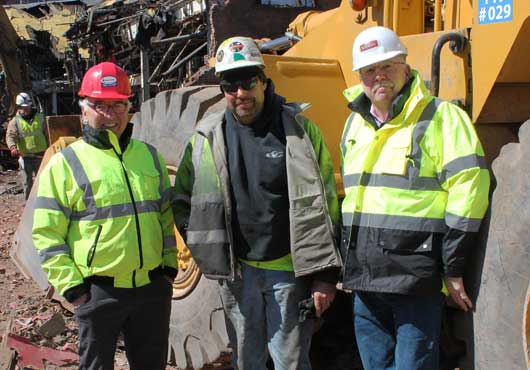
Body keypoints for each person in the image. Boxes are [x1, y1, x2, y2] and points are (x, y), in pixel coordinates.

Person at [172, 36, 342, 370]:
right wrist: (207, 248)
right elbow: (182, 199)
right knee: (246, 362)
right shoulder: (206, 137)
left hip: (289, 274)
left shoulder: (300, 132)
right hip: (237, 275)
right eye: (229, 85)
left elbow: (327, 206)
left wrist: (325, 276)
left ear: (264, 80)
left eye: (248, 81)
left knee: (291, 363)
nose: (240, 93)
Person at [340, 26, 490, 370]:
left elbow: (469, 192)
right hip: (365, 281)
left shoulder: (442, 118)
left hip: (414, 282)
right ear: (360, 77)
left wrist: (452, 268)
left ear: (406, 67)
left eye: (387, 67)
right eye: (369, 71)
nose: (378, 77)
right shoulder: (354, 125)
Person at [32, 62, 178, 370]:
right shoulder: (65, 164)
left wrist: (167, 268)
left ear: (128, 107)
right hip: (98, 293)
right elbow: (46, 235)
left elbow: (165, 217)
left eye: (118, 104)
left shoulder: (148, 156)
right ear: (84, 109)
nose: (110, 114)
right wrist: (74, 288)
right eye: (100, 105)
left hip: (151, 290)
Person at [5, 92, 47, 199]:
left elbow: (48, 133)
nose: (26, 109)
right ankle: (28, 205)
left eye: (27, 106)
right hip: (25, 157)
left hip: (41, 156)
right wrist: (13, 147)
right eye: (23, 107)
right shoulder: (15, 122)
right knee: (27, 183)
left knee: (43, 182)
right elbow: (10, 136)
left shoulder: (40, 117)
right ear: (19, 107)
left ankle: (43, 203)